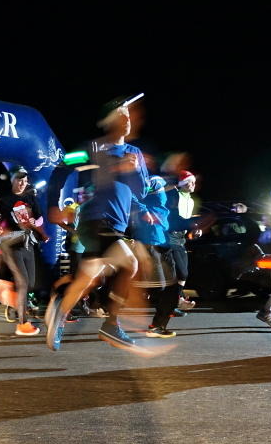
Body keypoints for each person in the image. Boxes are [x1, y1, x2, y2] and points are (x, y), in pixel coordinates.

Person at [45, 95, 149, 351]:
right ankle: (112, 326)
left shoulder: (134, 154)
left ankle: (59, 313)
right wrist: (52, 205)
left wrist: (132, 171)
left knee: (88, 278)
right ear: (110, 121)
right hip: (96, 220)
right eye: (122, 114)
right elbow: (60, 170)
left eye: (129, 114)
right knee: (131, 263)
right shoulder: (91, 148)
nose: (128, 119)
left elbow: (142, 191)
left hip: (116, 224)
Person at [0, 167, 49, 336]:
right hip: (11, 244)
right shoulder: (4, 199)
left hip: (27, 242)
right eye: (19, 179)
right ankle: (22, 323)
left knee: (29, 283)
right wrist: (0, 231)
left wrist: (34, 221)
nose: (22, 183)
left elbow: (40, 217)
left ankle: (6, 289)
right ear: (12, 180)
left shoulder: (30, 196)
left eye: (25, 180)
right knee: (23, 283)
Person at [131, 175, 180, 338]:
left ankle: (158, 324)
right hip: (150, 242)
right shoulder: (153, 181)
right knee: (163, 288)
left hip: (161, 241)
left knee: (169, 287)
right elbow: (132, 194)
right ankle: (156, 325)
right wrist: (144, 211)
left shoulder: (163, 186)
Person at [166, 170, 201, 312]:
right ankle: (176, 301)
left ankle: (176, 301)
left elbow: (188, 219)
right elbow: (174, 218)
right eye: (190, 182)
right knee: (181, 273)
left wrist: (195, 229)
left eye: (194, 182)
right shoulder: (175, 196)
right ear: (183, 184)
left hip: (182, 238)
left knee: (183, 272)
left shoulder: (191, 201)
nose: (193, 184)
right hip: (170, 236)